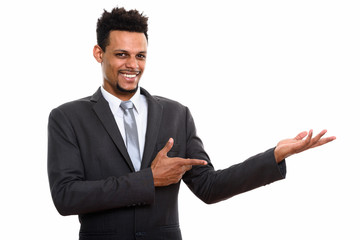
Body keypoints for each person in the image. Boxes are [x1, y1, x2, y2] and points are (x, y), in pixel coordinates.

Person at [47, 7, 335, 240]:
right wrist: (149, 179)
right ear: (99, 53)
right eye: (121, 54)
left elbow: (210, 186)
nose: (132, 65)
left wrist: (274, 155)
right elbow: (66, 196)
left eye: (140, 55)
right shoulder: (67, 118)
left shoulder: (176, 114)